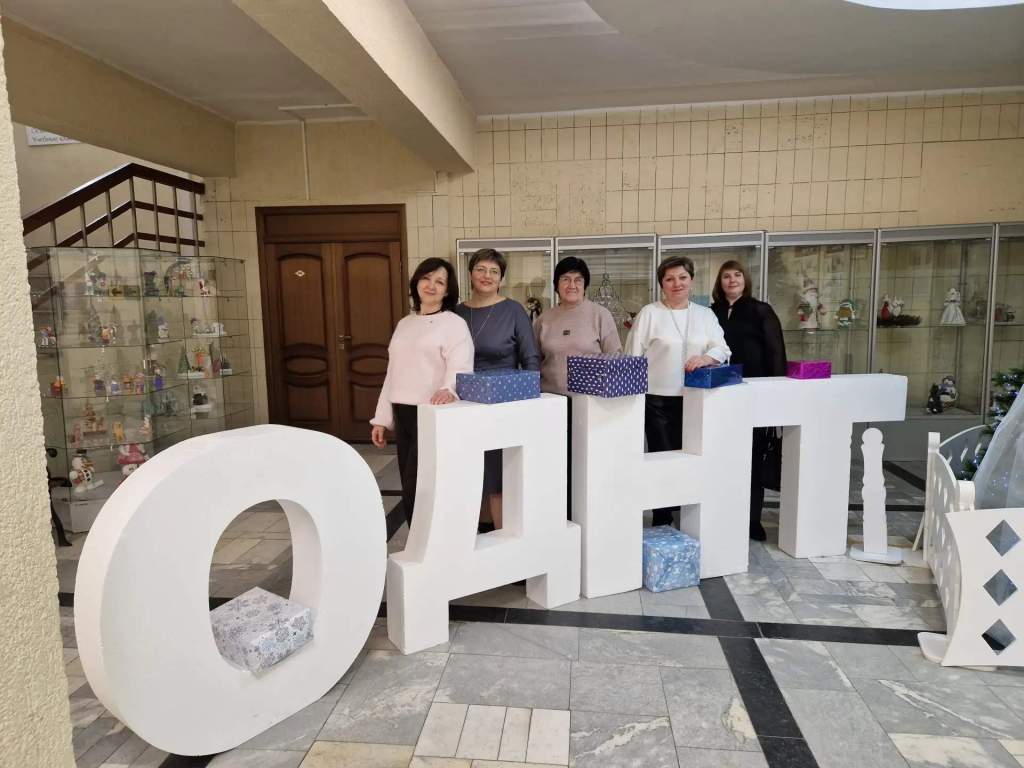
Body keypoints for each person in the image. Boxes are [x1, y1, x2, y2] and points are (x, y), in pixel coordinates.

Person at [625, 255, 730, 527]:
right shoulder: (650, 313)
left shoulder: (705, 315)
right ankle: (662, 517)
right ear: (662, 284)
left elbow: (722, 348)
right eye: (670, 279)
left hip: (697, 400)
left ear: (691, 281)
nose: (677, 283)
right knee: (662, 459)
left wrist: (705, 358)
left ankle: (689, 515)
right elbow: (633, 357)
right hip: (656, 401)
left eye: (682, 277)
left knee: (692, 459)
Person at [371, 258, 473, 529]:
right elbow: (393, 373)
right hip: (402, 412)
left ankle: (430, 540)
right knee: (409, 483)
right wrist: (381, 419)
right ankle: (418, 540)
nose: (431, 285)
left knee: (422, 484)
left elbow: (461, 366)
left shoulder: (453, 324)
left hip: (431, 413)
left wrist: (448, 389)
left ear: (447, 291)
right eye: (426, 278)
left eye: (440, 282)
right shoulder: (405, 323)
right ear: (416, 282)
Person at [454, 248, 540, 530]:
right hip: (462, 404)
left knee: (496, 475)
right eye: (481, 269)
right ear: (470, 274)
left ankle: (503, 537)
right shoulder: (457, 312)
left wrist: (531, 403)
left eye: (494, 271)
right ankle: (476, 533)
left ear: (501, 279)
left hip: (502, 404)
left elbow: (530, 358)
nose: (487, 276)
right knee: (468, 471)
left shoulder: (513, 311)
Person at [534, 256, 621, 517]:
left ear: (585, 285)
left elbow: (615, 356)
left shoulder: (599, 315)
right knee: (557, 463)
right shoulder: (544, 319)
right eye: (565, 279)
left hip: (591, 405)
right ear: (556, 284)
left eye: (578, 280)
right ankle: (560, 516)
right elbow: (534, 360)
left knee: (589, 462)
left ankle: (591, 515)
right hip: (552, 404)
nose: (571, 285)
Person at [710, 260, 787, 541]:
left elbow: (776, 353)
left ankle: (753, 519)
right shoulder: (711, 313)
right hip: (719, 395)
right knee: (721, 455)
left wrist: (775, 394)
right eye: (726, 276)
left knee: (753, 456)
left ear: (745, 280)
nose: (732, 280)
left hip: (754, 393)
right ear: (719, 282)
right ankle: (722, 512)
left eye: (737, 275)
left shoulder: (760, 310)